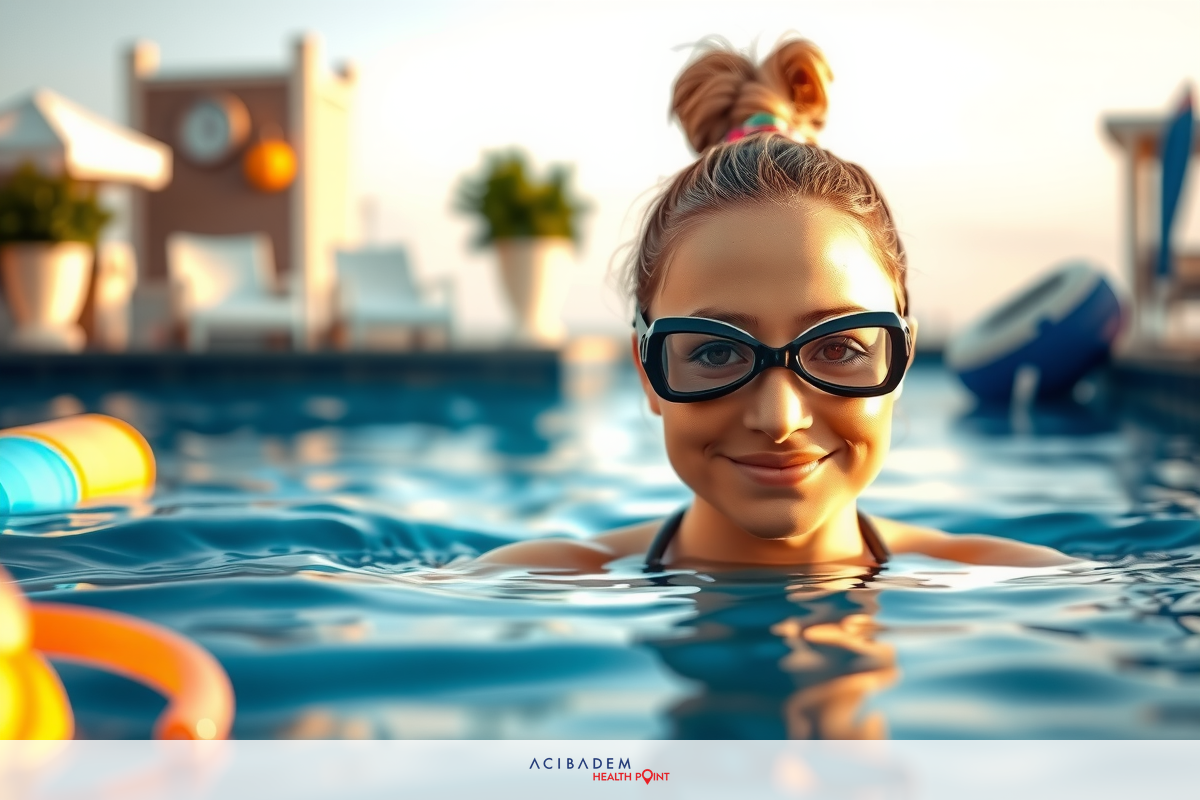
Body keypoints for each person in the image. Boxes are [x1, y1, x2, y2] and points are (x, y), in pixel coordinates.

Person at [479, 38, 1073, 574]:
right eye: (715, 350)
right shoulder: (524, 585)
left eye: (839, 347)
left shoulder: (1036, 585)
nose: (780, 419)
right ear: (648, 371)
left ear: (900, 362)